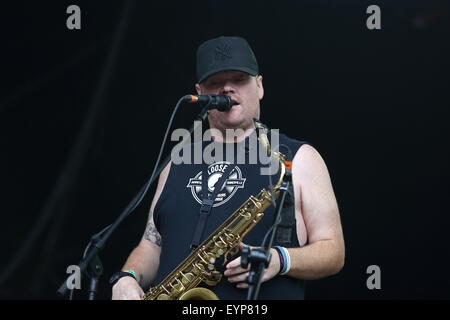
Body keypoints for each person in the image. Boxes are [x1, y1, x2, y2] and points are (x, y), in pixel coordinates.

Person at [110, 36, 345, 300]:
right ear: (200, 92)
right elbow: (151, 245)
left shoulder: (299, 158)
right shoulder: (175, 163)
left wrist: (280, 259)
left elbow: (333, 251)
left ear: (259, 85)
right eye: (215, 83)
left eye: (239, 80)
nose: (227, 89)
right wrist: (127, 277)